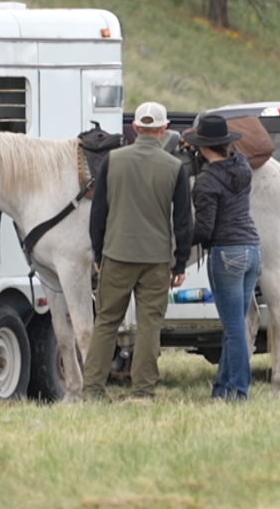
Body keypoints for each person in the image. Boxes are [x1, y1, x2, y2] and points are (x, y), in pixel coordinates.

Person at [83, 101, 192, 402]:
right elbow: (183, 221)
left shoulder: (113, 160)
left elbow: (98, 213)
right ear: (164, 129)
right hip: (156, 259)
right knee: (149, 325)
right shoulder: (175, 167)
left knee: (105, 322)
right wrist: (180, 263)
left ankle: (92, 390)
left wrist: (97, 255)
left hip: (116, 253)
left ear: (134, 128)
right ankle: (143, 391)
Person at [183, 114, 262, 401]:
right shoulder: (242, 165)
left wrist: (180, 241)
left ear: (201, 147)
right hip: (252, 250)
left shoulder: (206, 181)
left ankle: (238, 391)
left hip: (227, 253)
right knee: (235, 326)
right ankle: (221, 389)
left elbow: (204, 229)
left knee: (233, 329)